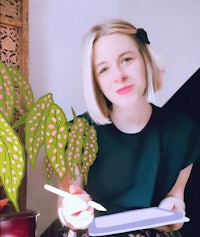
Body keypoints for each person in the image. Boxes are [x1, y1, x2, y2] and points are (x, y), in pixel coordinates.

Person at [57, 19, 200, 237]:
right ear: (95, 81)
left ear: (145, 59)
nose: (118, 76)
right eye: (104, 69)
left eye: (126, 59)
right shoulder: (77, 132)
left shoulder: (183, 132)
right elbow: (66, 207)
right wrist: (72, 212)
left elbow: (175, 197)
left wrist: (173, 208)